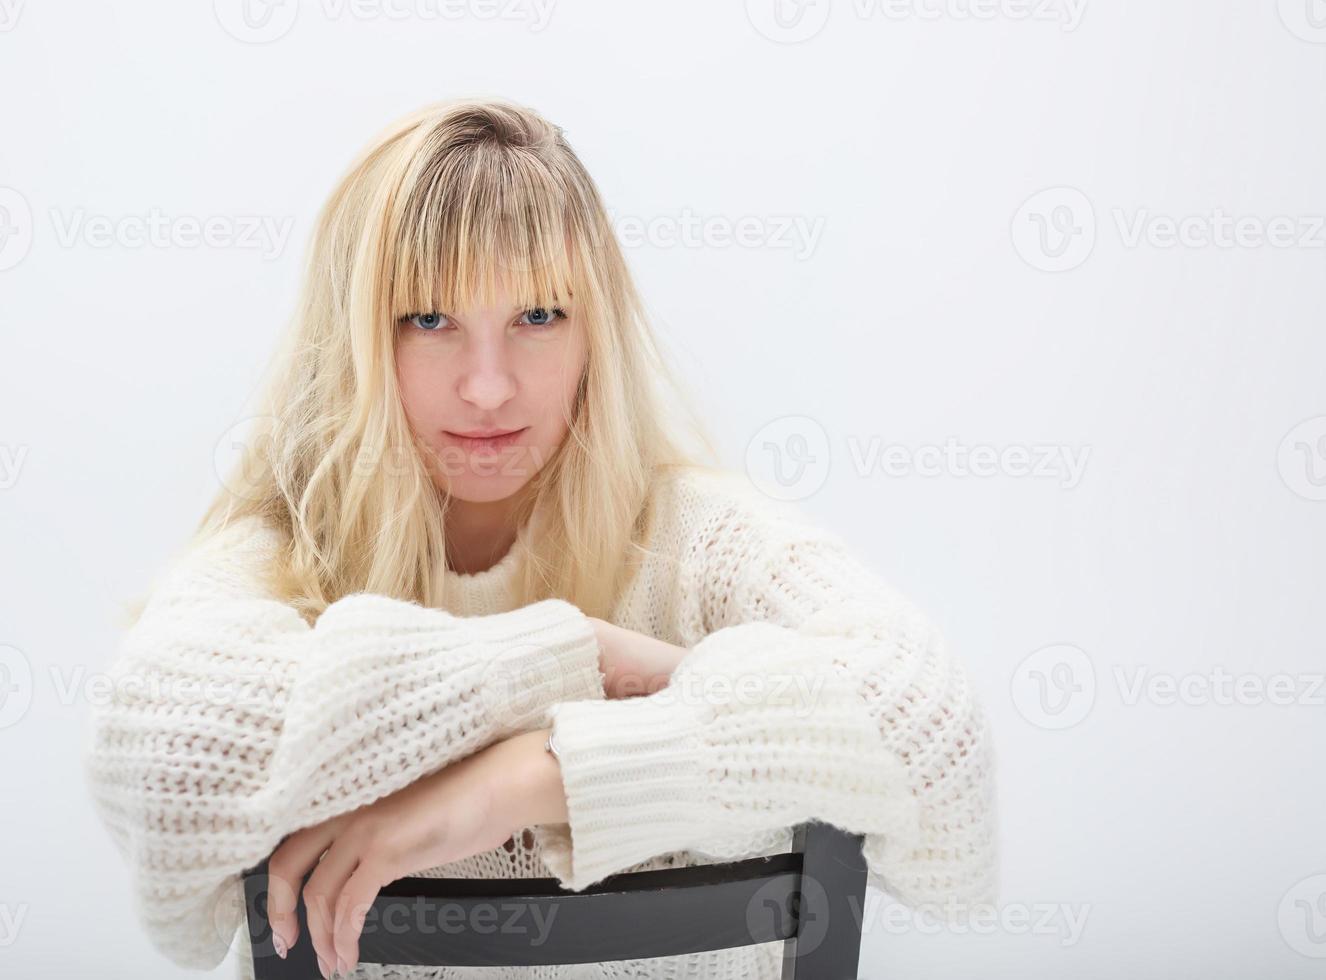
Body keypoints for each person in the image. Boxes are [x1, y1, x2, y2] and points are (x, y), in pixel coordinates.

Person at [81, 96, 999, 980]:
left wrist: (538, 776)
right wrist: (579, 658)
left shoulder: (687, 536)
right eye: (429, 319)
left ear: (593, 333)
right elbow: (168, 760)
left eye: (538, 316)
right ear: (357, 339)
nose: (488, 386)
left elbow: (929, 726)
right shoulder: (288, 554)